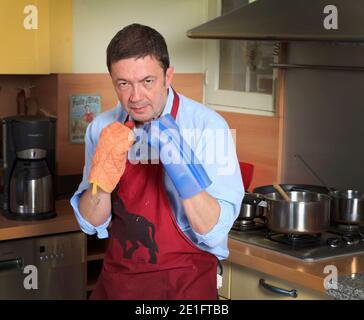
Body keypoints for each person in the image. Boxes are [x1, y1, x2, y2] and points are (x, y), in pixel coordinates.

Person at [70, 23, 244, 300]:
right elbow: (90, 223)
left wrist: (183, 168)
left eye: (147, 81)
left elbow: (213, 234)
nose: (136, 97)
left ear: (168, 76)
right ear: (113, 80)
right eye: (123, 83)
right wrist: (100, 181)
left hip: (185, 283)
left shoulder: (209, 127)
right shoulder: (101, 127)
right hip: (119, 280)